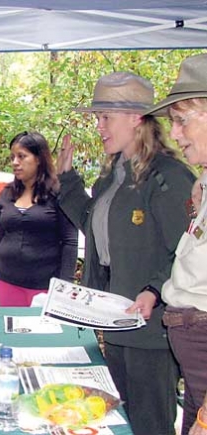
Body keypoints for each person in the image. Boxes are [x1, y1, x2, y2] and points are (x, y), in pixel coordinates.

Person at [57, 71, 196, 435]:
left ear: (136, 118)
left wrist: (152, 289)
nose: (99, 126)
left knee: (151, 425)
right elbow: (94, 226)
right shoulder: (112, 176)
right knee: (119, 422)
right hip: (115, 325)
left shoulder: (167, 177)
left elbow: (186, 252)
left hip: (151, 332)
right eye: (97, 118)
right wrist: (68, 180)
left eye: (106, 117)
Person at [128, 54, 207, 435]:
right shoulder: (202, 184)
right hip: (191, 354)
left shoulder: (171, 176)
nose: (175, 133)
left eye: (182, 120)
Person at [0, 131, 78, 306]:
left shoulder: (58, 194)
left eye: (22, 156)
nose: (15, 162)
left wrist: (65, 286)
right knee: (10, 330)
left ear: (39, 159)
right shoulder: (6, 194)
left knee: (40, 332)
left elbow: (70, 241)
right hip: (8, 281)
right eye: (12, 157)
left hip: (45, 285)